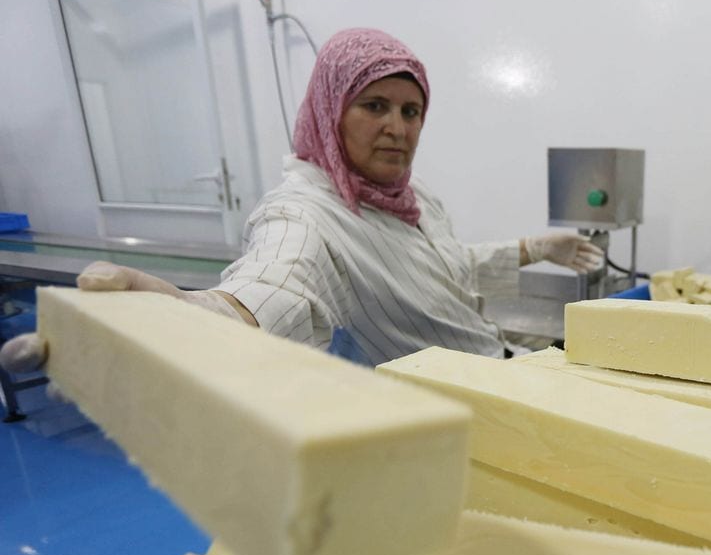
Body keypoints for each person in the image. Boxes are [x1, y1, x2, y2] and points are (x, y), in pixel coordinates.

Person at [0, 27, 601, 374]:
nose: (398, 128)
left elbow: (445, 269)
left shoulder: (408, 197)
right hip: (448, 410)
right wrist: (190, 316)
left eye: (411, 110)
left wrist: (532, 247)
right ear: (329, 111)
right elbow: (274, 289)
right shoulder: (305, 214)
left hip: (498, 364)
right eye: (374, 106)